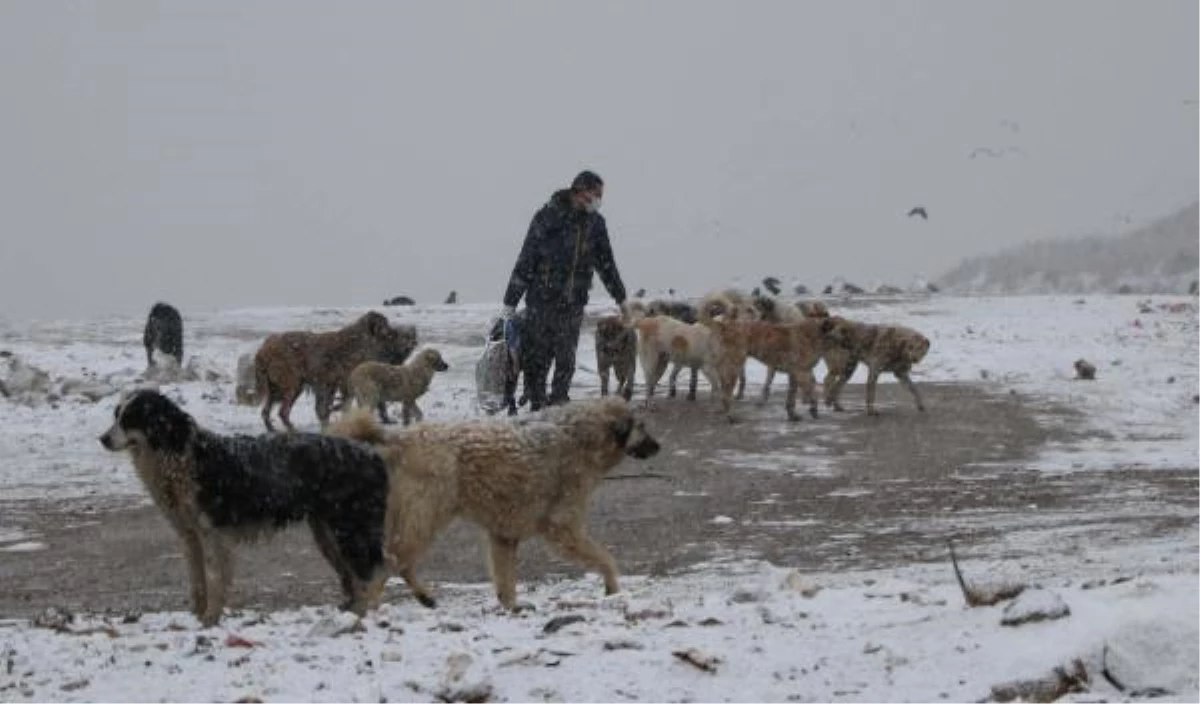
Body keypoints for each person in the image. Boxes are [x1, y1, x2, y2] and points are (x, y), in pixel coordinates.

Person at [501, 170, 628, 411]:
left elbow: (607, 264)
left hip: (574, 303)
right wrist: (510, 302)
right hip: (542, 301)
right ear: (580, 191)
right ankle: (537, 404)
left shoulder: (595, 224)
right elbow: (526, 259)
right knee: (538, 358)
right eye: (596, 194)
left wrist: (621, 298)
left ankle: (559, 402)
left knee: (566, 359)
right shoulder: (547, 217)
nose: (599, 200)